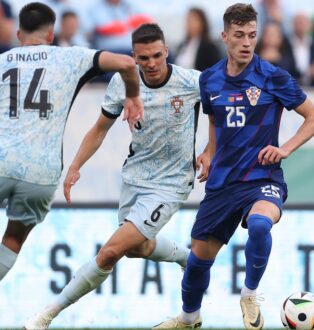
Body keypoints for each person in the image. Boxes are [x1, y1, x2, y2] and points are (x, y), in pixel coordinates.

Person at [0, 3, 142, 329]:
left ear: (19, 33)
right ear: (51, 34)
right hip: (42, 170)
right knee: (13, 239)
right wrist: (133, 96)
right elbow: (125, 62)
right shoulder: (71, 57)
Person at [23, 22, 205, 330]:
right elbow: (99, 129)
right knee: (138, 248)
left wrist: (212, 149)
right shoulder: (123, 84)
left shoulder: (192, 82)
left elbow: (223, 112)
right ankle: (188, 259)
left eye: (157, 56)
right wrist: (75, 165)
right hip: (134, 179)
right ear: (134, 56)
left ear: (166, 52)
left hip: (171, 184)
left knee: (110, 252)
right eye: (143, 58)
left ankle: (46, 316)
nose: (151, 64)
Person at [154, 3, 314, 329]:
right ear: (225, 36)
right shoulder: (211, 80)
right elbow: (217, 124)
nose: (247, 42)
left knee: (260, 224)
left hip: (262, 177)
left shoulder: (273, 76)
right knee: (198, 261)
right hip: (222, 183)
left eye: (252, 35)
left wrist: (285, 148)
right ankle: (188, 319)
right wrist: (208, 152)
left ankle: (249, 294)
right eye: (239, 35)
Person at [175, 7, 222, 71]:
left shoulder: (209, 47)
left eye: (193, 20)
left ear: (202, 23)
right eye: (188, 20)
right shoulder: (182, 46)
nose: (190, 23)